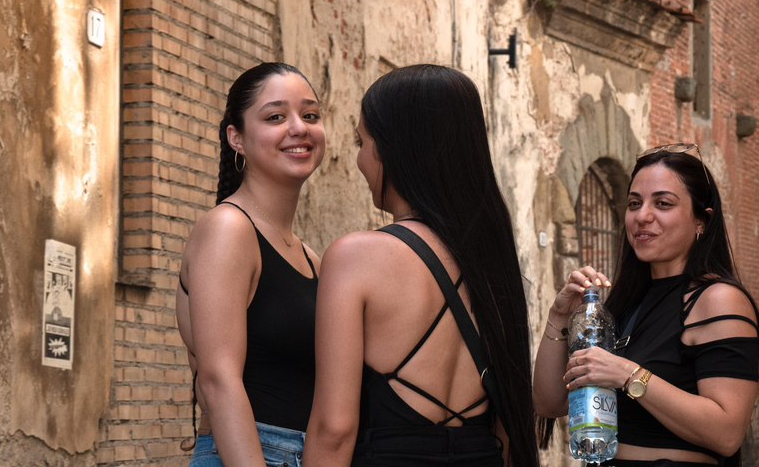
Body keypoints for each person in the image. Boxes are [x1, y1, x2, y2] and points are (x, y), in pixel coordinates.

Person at [302, 64, 539, 467]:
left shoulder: (355, 257)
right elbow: (508, 425)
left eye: (363, 141)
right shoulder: (492, 262)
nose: (359, 159)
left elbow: (335, 429)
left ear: (393, 148)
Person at [533, 144, 759, 467]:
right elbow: (549, 403)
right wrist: (559, 315)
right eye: (634, 203)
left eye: (663, 203)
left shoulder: (717, 299)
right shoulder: (625, 305)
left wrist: (627, 374)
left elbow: (727, 433)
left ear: (701, 221)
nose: (642, 216)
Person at [175, 62, 325, 467]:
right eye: (276, 117)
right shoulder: (227, 229)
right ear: (236, 138)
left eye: (310, 115)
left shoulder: (311, 258)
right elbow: (218, 380)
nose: (299, 128)